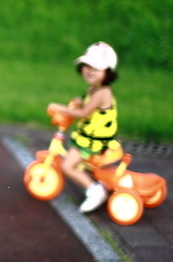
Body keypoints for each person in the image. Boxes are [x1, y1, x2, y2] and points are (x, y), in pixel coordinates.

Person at [48, 42, 120, 213]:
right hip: (88, 137)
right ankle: (92, 182)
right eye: (87, 65)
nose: (89, 70)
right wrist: (79, 101)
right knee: (72, 160)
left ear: (108, 72)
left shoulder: (103, 92)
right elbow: (89, 107)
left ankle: (95, 190)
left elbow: (84, 114)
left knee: (67, 166)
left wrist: (61, 108)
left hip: (92, 142)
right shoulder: (94, 89)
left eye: (96, 67)